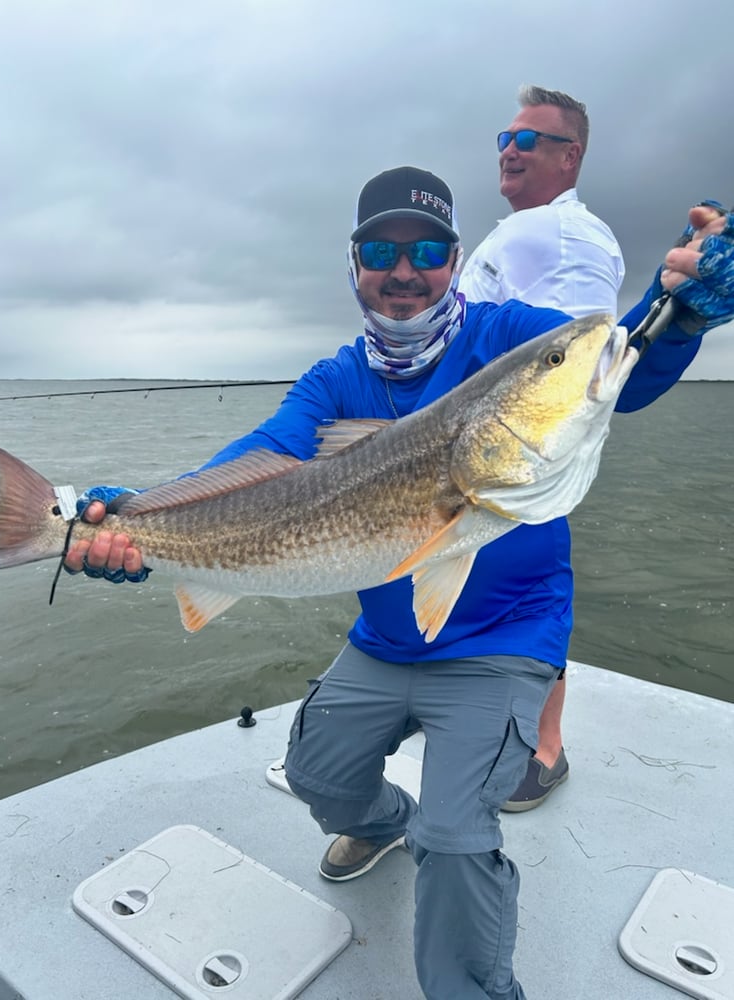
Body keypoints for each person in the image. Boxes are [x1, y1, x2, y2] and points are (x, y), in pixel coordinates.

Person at [64, 166, 734, 1000]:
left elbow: (612, 358)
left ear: (455, 259)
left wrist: (681, 315)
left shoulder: (512, 335)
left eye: (427, 251)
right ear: (354, 265)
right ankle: (383, 827)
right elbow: (258, 457)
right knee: (315, 774)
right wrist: (136, 516)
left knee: (456, 838)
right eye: (381, 250)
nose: (404, 270)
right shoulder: (336, 379)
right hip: (386, 640)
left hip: (504, 639)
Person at [459, 84, 626, 811]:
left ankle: (544, 748)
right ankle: (508, 731)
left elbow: (575, 357)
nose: (508, 148)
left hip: (505, 453)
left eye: (528, 139)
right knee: (494, 583)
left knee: (529, 585)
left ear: (570, 155)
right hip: (477, 453)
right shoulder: (523, 231)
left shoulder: (561, 235)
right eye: (504, 136)